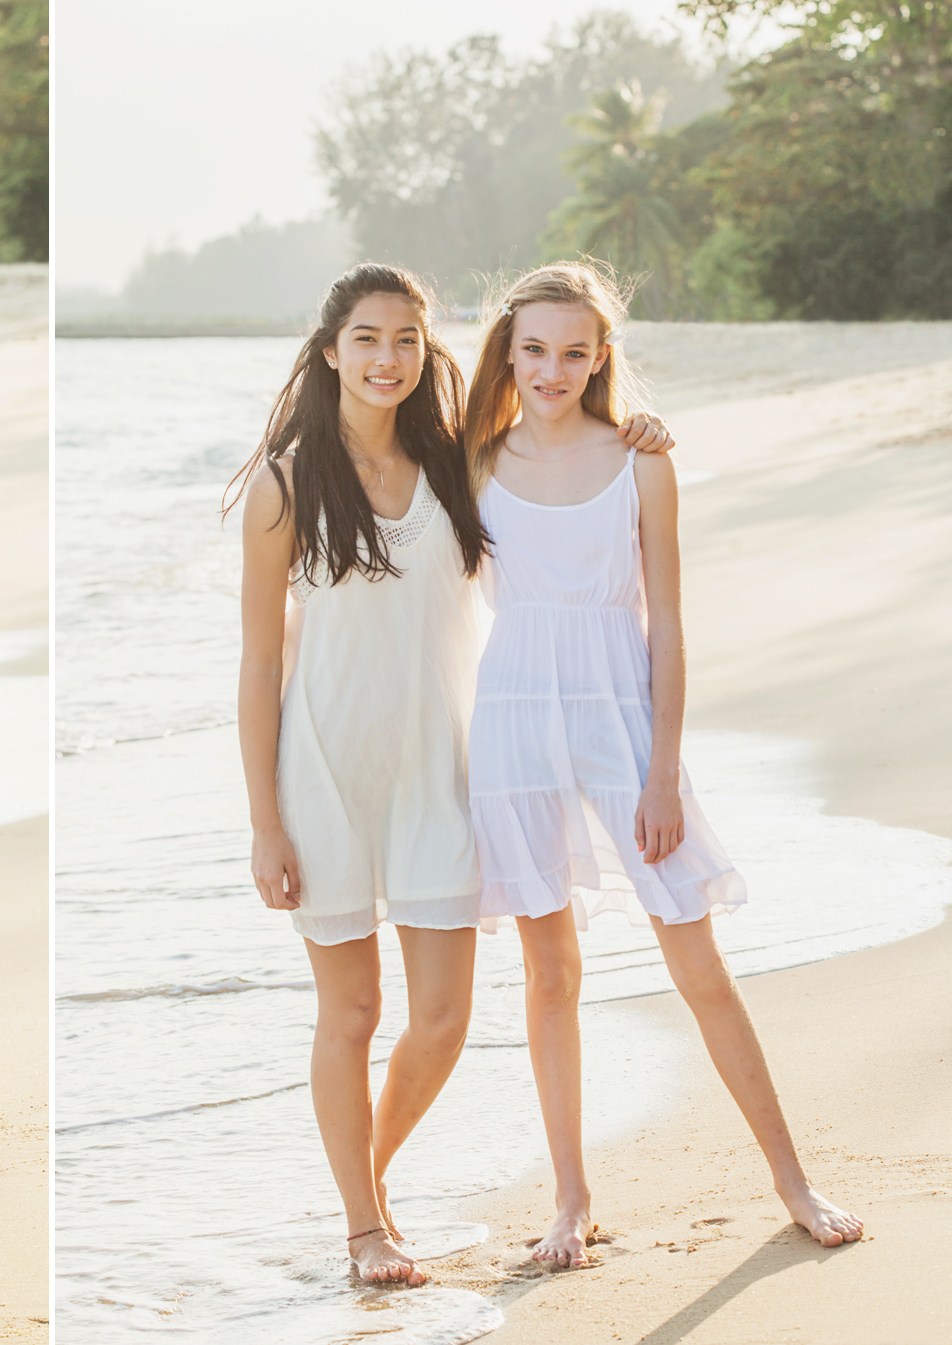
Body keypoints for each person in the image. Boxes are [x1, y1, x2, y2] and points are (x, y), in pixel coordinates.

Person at [230, 263, 673, 1285]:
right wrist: (264, 822)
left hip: (444, 770)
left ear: (427, 356)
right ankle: (363, 1228)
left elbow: (566, 456)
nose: (387, 359)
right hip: (326, 775)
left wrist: (641, 428)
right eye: (368, 339)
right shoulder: (287, 483)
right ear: (331, 348)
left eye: (406, 342)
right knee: (349, 1014)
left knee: (442, 1018)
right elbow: (259, 664)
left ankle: (365, 1181)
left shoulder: (457, 462)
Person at [463, 261, 863, 1267]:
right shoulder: (470, 460)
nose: (552, 369)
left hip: (623, 723)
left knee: (698, 961)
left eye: (574, 351)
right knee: (549, 972)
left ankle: (793, 1179)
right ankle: (570, 1200)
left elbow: (670, 623)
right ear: (508, 353)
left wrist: (661, 769)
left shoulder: (641, 458)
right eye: (535, 350)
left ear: (602, 358)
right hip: (513, 719)